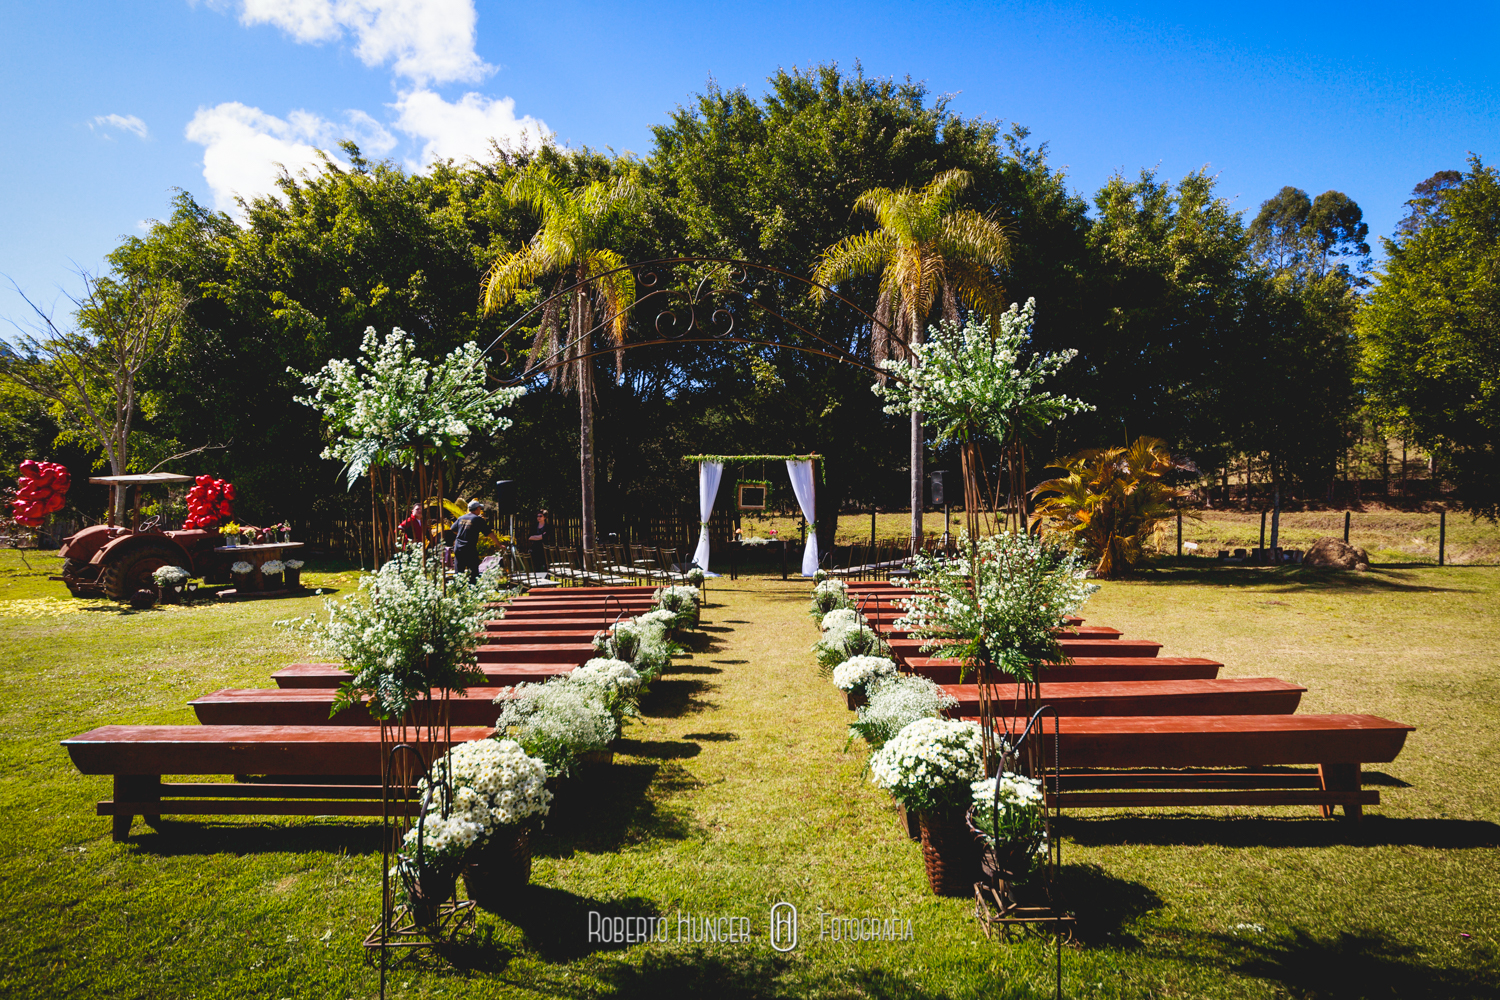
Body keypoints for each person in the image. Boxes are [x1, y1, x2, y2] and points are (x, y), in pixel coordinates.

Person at [452, 500, 490, 581]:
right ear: (477, 509)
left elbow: (453, 529)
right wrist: (499, 544)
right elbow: (489, 533)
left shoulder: (461, 518)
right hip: (469, 548)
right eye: (480, 508)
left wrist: (462, 535)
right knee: (473, 571)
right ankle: (473, 589)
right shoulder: (478, 519)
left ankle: (458, 589)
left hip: (458, 547)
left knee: (459, 571)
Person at [527, 509, 550, 573]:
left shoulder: (547, 527)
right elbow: (529, 537)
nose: (538, 517)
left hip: (544, 549)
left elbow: (545, 537)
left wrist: (536, 537)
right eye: (537, 516)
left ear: (545, 517)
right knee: (536, 566)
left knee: (545, 566)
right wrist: (540, 537)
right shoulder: (534, 526)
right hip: (535, 549)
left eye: (540, 516)